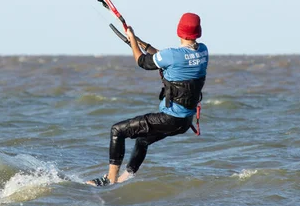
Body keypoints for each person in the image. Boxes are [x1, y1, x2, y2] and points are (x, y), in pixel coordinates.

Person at [87, 13, 209, 186]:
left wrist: (132, 42)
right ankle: (125, 178)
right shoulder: (203, 51)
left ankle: (110, 179)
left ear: (179, 31)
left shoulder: (173, 55)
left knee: (117, 130)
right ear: (198, 32)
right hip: (184, 122)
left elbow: (143, 62)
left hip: (170, 119)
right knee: (142, 140)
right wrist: (137, 41)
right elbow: (161, 56)